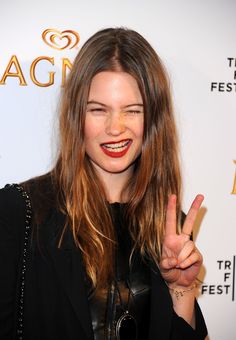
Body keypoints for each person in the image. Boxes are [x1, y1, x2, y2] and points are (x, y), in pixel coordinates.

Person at [0, 27, 207, 340]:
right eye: (98, 110)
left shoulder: (167, 226)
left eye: (132, 111)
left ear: (152, 119)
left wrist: (181, 289)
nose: (115, 128)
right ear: (76, 116)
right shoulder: (19, 212)